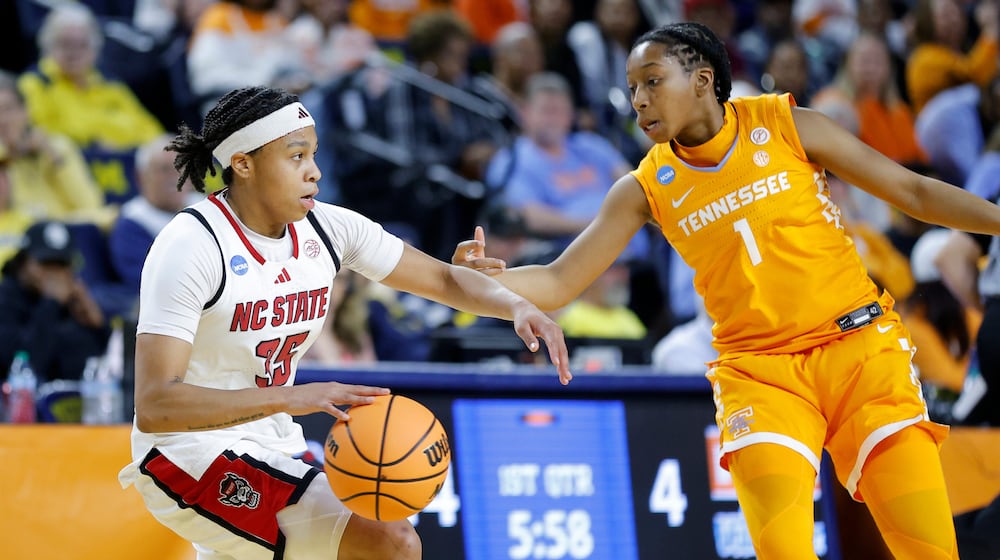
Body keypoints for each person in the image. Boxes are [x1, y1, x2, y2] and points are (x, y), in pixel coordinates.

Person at [454, 22, 1000, 559]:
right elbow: (556, 280)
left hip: (859, 350)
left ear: (701, 78)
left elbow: (912, 191)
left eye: (651, 81)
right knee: (783, 550)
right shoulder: (643, 187)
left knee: (929, 550)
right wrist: (481, 279)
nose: (638, 101)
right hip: (760, 374)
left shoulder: (786, 122)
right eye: (631, 90)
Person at [117, 85, 571, 560]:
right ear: (244, 164)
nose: (314, 171)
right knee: (390, 542)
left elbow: (442, 277)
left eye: (313, 154)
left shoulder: (328, 228)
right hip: (184, 453)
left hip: (271, 442)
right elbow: (155, 404)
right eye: (295, 156)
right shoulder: (191, 245)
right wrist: (294, 396)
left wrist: (515, 304)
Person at [0, 220, 109, 383]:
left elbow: (99, 366)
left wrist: (99, 326)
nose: (56, 274)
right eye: (46, 263)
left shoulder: (73, 302)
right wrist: (51, 303)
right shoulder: (6, 300)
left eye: (63, 264)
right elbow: (23, 366)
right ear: (22, 262)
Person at [107, 134, 196, 317]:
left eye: (181, 167)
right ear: (141, 177)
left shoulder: (206, 206)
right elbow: (149, 282)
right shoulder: (132, 223)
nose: (175, 177)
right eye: (164, 170)